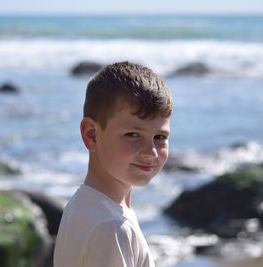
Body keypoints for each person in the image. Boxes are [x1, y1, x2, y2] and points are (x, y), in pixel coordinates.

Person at [53, 61, 173, 267]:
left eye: (160, 137)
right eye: (133, 135)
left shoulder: (83, 204)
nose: (151, 152)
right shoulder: (112, 227)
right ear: (92, 135)